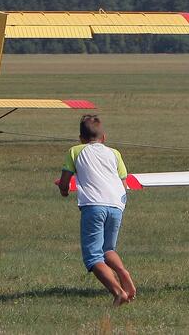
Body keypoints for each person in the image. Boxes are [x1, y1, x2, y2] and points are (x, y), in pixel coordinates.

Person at [55, 114, 136, 306]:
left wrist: (64, 190)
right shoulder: (114, 153)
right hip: (117, 205)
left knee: (93, 257)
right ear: (104, 138)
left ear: (81, 138)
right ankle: (123, 273)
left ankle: (118, 293)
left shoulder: (75, 151)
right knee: (108, 249)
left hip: (93, 205)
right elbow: (123, 182)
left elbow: (65, 180)